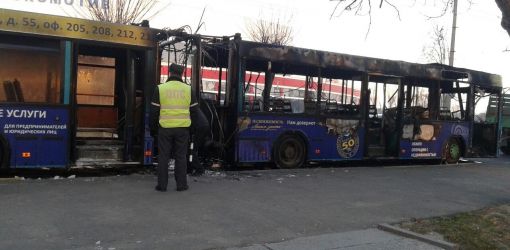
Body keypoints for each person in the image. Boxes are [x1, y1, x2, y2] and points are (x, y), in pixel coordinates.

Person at [151, 63, 198, 192]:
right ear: (182, 74)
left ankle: (162, 185)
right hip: (183, 129)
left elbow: (154, 112)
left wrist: (153, 129)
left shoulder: (160, 88)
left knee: (163, 157)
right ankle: (181, 185)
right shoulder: (188, 89)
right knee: (181, 157)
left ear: (169, 72)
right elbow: (195, 112)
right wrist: (193, 129)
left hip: (164, 129)